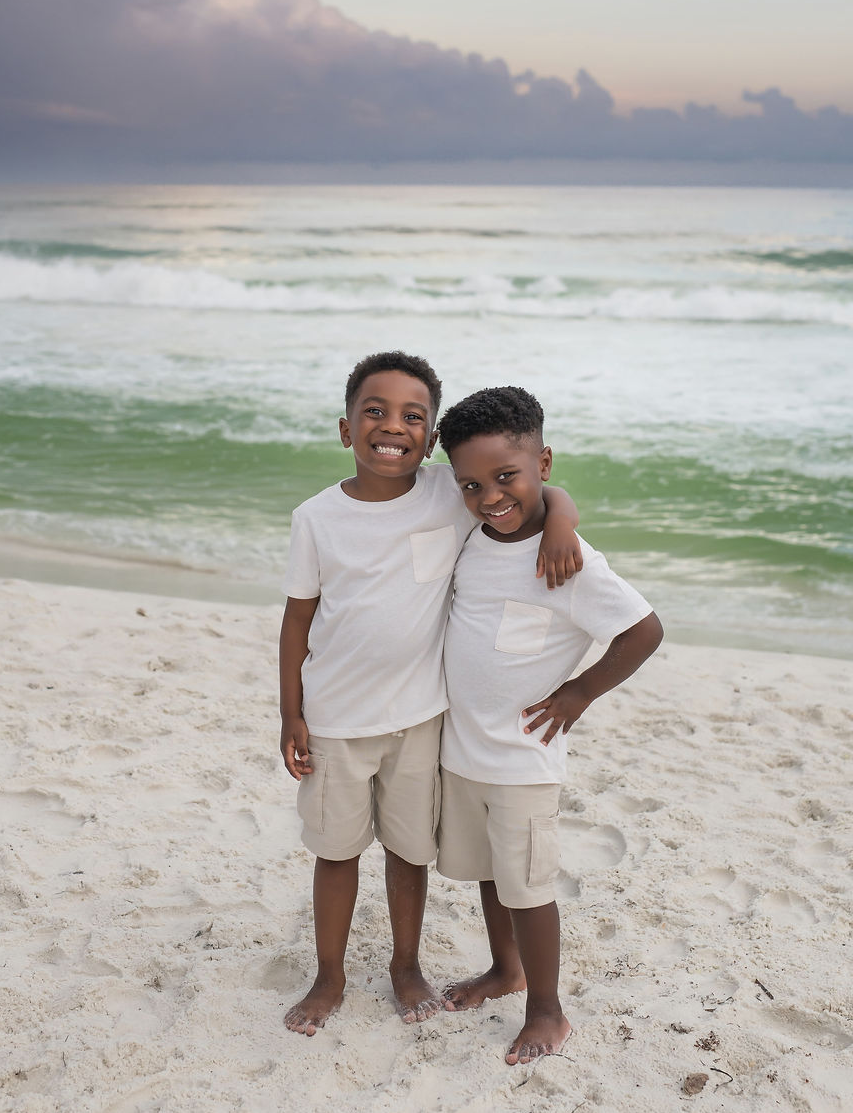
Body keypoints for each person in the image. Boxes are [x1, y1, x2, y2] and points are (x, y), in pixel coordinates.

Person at [279, 352, 583, 1036]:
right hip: (334, 720)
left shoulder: (451, 492)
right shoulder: (316, 519)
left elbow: (533, 485)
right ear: (344, 427)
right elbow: (297, 620)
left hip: (423, 721)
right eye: (375, 413)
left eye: (413, 416)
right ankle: (328, 976)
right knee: (335, 852)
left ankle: (405, 966)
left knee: (409, 853)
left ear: (431, 432)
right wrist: (290, 712)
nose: (394, 427)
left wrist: (561, 516)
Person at [436, 385, 663, 1064]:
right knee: (491, 875)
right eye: (472, 484)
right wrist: (552, 507)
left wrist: (581, 692)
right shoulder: (474, 535)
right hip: (465, 752)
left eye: (507, 477)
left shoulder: (569, 561)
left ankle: (547, 1009)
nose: (490, 496)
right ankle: (505, 971)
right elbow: (509, 499)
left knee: (530, 889)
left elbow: (644, 631)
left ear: (544, 463)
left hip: (522, 761)